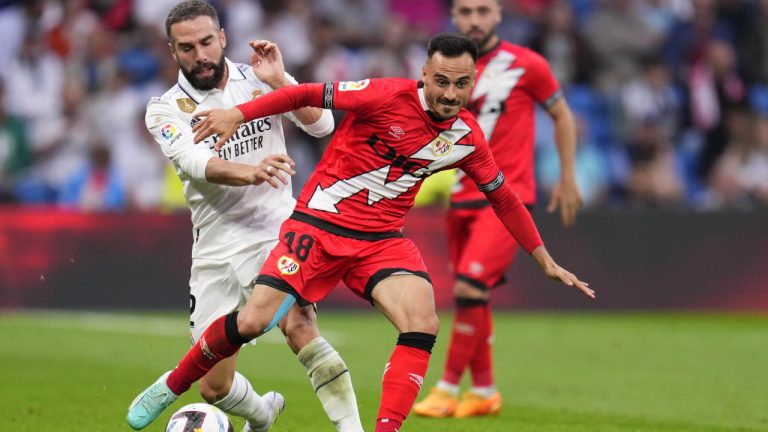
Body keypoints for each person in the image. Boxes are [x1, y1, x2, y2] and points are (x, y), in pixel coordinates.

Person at [127, 32, 594, 432]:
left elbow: (504, 198)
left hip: (381, 241)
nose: (451, 94)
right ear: (424, 74)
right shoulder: (383, 94)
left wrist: (545, 259)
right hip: (317, 227)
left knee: (423, 322)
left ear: (473, 81)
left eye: (461, 84)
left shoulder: (467, 137)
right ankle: (173, 384)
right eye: (441, 81)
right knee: (254, 322)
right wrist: (238, 114)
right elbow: (303, 95)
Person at [128, 2, 363, 432]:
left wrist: (281, 81)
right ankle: (262, 415)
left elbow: (322, 125)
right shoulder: (164, 109)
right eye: (187, 48)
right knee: (213, 387)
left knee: (299, 326)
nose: (200, 55)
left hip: (277, 230)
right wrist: (250, 172)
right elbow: (195, 163)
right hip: (216, 248)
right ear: (173, 51)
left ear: (222, 38)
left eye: (206, 42)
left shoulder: (257, 78)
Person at [413, 0, 583, 419]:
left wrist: (567, 176)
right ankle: (485, 390)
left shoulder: (527, 65)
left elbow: (562, 116)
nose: (474, 19)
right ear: (454, 16)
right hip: (459, 195)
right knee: (474, 295)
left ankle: (447, 388)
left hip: (506, 197)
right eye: (466, 11)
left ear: (498, 15)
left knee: (470, 285)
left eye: (483, 10)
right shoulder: (446, 73)